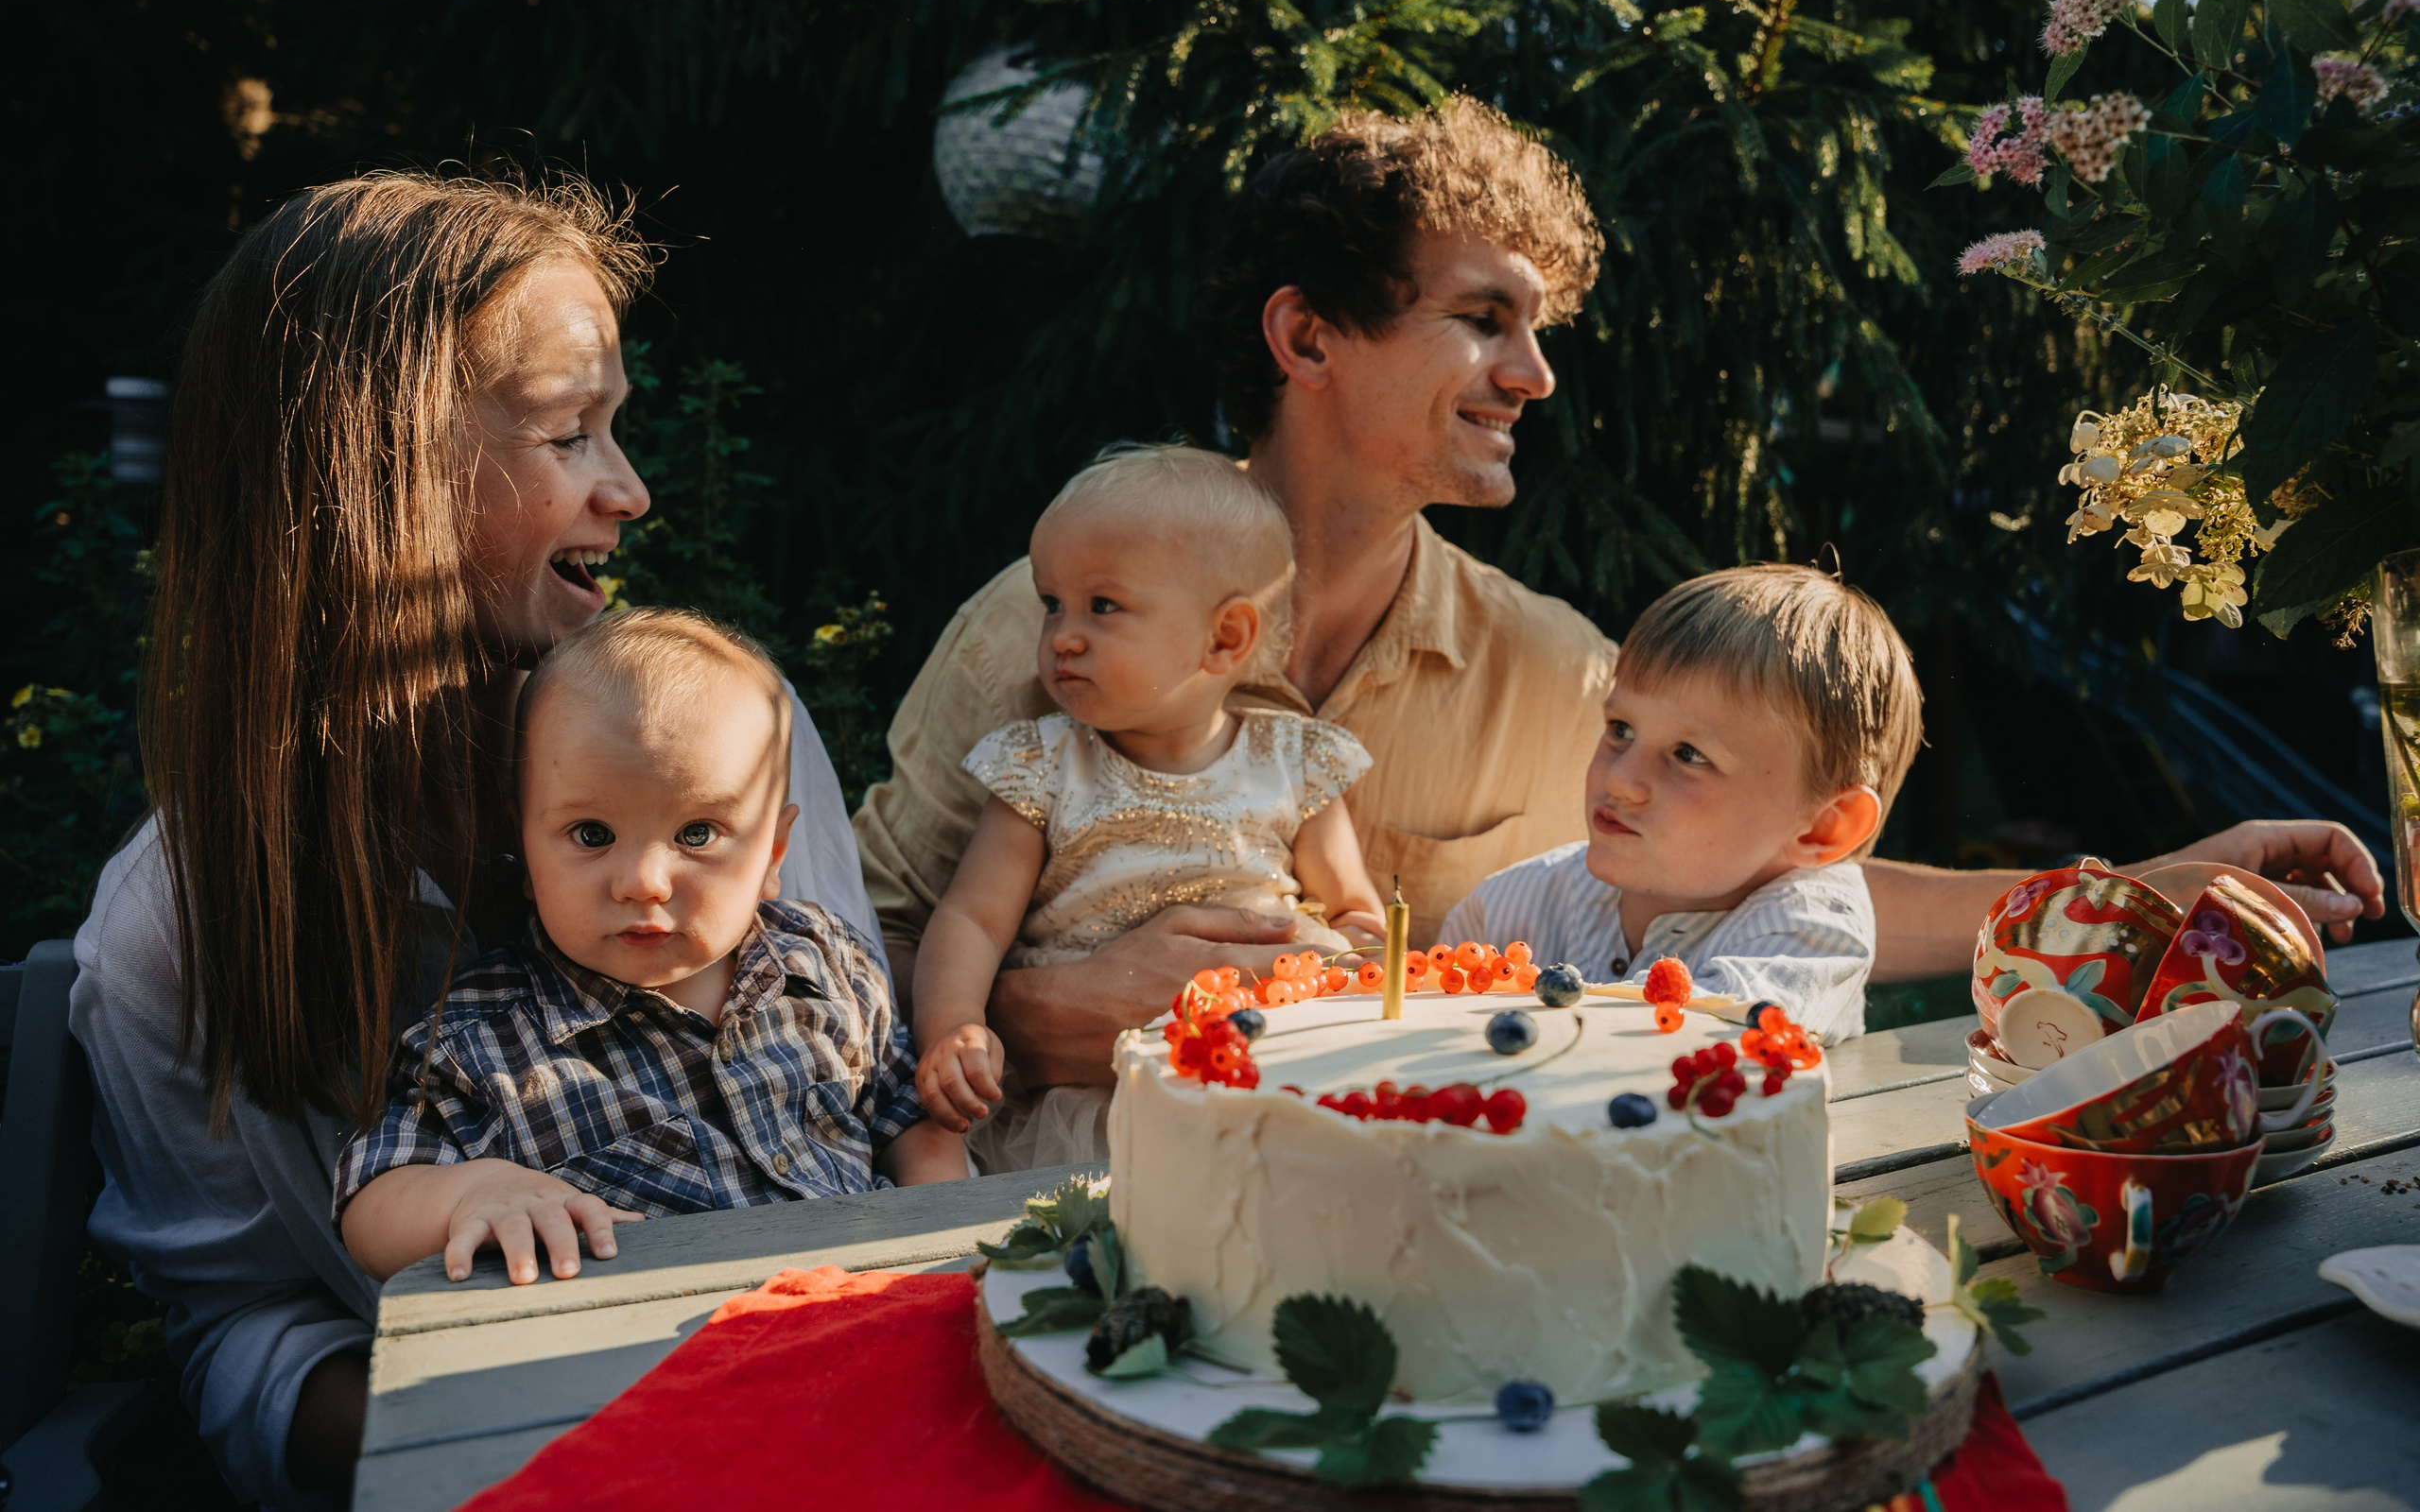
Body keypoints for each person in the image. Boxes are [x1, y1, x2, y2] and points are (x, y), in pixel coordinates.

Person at [852, 97, 2384, 1109]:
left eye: (1539, 327)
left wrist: (2160, 880)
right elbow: (837, 959)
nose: (1536, 374)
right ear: (1307, 336)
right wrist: (1046, 1013)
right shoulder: (1046, 620)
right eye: (1485, 320)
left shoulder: (1556, 676)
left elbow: (1784, 876)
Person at [69, 174, 880, 1510]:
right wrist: (566, 1452)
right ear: (374, 467)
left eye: (613, 428)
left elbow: (854, 1100)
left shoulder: (723, 741)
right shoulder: (176, 927)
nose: (632, 488)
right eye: (571, 432)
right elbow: (246, 1332)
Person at [337, 610, 964, 1286]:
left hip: (866, 1308)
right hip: (650, 1356)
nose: (643, 881)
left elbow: (910, 1113)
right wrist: (468, 1195)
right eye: (591, 834)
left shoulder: (825, 965)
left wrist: (938, 1226)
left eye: (697, 834)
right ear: (522, 850)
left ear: (773, 853)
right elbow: (369, 1194)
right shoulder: (481, 1039)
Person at [912, 447, 1384, 1170]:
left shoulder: (1295, 762)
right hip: (1088, 1105)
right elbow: (972, 916)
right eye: (1052, 604)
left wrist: (1341, 970)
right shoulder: (1043, 766)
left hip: (1257, 1080)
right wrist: (955, 1025)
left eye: (1103, 606)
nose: (1063, 635)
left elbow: (1355, 915)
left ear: (1225, 636)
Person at [1442, 565, 1924, 1044]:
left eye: (1689, 755)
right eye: (1621, 729)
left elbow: (1688, 1049)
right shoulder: (1506, 908)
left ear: (1823, 827)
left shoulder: (1812, 934)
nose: (1619, 778)